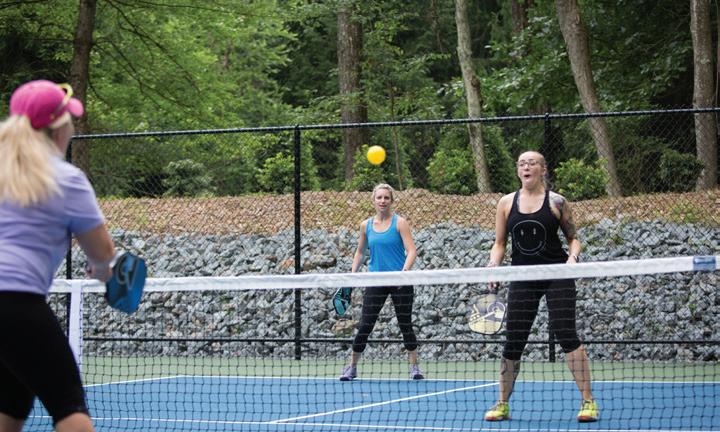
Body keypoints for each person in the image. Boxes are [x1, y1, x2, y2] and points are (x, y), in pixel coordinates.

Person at [0, 80, 116, 432]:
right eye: (70, 119)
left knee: (11, 402)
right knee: (68, 405)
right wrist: (103, 271)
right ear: (59, 128)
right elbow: (103, 253)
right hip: (15, 303)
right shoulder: (66, 179)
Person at [483, 151, 598, 422]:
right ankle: (502, 404)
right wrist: (493, 264)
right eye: (522, 163)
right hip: (522, 277)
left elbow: (573, 238)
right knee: (513, 340)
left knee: (566, 334)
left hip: (557, 274)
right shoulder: (506, 203)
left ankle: (588, 402)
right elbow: (499, 243)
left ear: (543, 169)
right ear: (518, 170)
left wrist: (572, 259)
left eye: (532, 163)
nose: (526, 167)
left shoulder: (557, 202)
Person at [339, 183, 424, 381]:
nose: (383, 201)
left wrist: (404, 273)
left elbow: (412, 250)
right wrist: (352, 275)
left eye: (386, 198)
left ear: (391, 201)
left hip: (400, 281)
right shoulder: (365, 226)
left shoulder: (400, 223)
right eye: (379, 197)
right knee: (365, 324)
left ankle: (414, 368)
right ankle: (352, 367)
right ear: (373, 200)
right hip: (375, 280)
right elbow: (360, 252)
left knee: (405, 324)